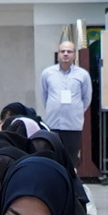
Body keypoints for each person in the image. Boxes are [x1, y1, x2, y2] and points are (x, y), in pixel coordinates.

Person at [38, 38, 93, 166]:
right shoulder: (47, 73)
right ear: (58, 54)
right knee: (53, 159)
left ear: (74, 55)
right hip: (53, 124)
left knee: (70, 161)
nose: (66, 54)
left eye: (69, 51)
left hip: (73, 125)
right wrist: (54, 107)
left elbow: (86, 98)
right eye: (62, 51)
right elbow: (44, 96)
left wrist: (76, 110)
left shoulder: (83, 75)